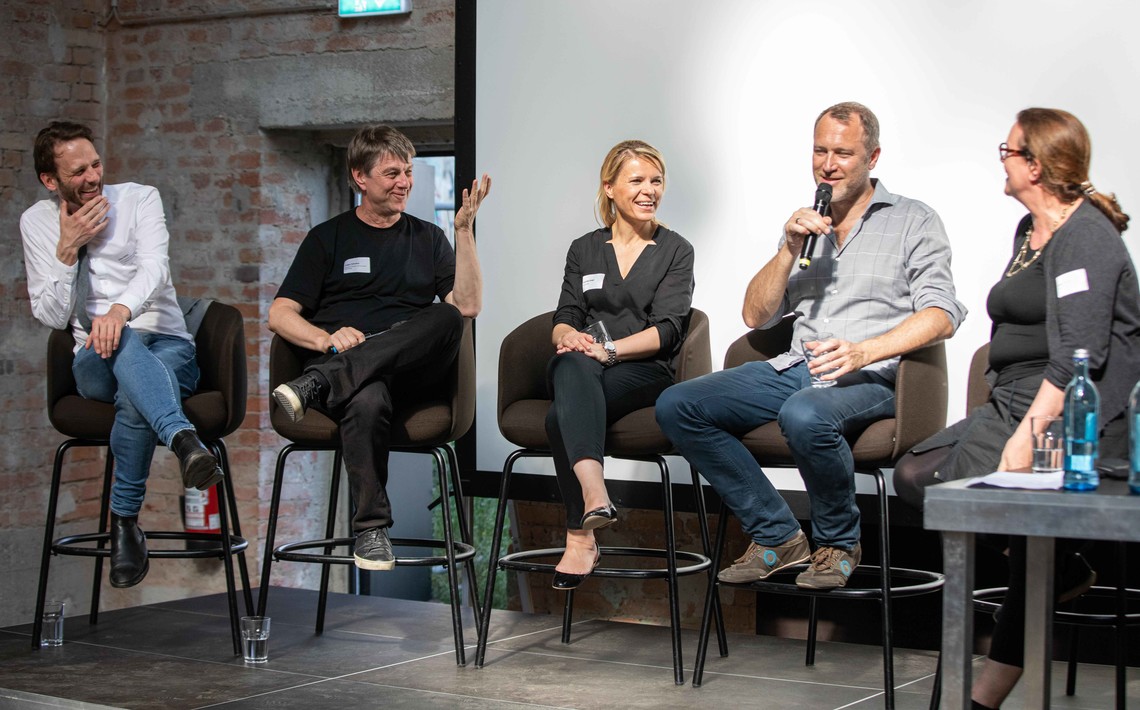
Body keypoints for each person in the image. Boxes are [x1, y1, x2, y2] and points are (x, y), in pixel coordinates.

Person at [657, 102, 967, 590]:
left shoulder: (913, 220)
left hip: (877, 376)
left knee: (807, 413)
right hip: (799, 366)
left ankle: (839, 543)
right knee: (680, 404)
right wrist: (787, 248)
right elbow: (756, 316)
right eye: (820, 151)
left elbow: (942, 313)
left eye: (843, 153)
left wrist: (865, 351)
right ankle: (778, 535)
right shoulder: (806, 227)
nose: (828, 164)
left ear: (873, 156)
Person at [892, 108, 1139, 709]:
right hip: (1011, 397)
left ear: (1036, 164)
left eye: (1008, 150)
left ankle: (983, 696)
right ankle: (1055, 571)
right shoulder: (1030, 231)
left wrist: (1029, 433)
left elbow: (1081, 352)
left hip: (1071, 413)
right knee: (915, 475)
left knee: (996, 521)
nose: (999, 158)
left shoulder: (1086, 236)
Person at [269, 125, 489, 572]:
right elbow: (280, 314)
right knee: (366, 397)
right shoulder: (327, 239)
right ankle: (371, 531)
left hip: (412, 376)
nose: (404, 182)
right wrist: (325, 339)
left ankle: (319, 382)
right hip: (357, 381)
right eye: (392, 173)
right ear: (360, 178)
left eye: (408, 171)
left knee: (447, 316)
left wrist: (463, 231)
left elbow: (468, 304)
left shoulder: (429, 238)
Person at [21, 121, 224, 589]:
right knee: (114, 342)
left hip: (168, 343)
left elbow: (155, 268)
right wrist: (66, 250)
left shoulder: (138, 198)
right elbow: (51, 315)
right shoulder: (36, 222)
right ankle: (183, 440)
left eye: (96, 164)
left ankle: (125, 524)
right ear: (51, 182)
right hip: (92, 360)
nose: (93, 177)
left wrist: (117, 311)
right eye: (78, 172)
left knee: (133, 385)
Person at [545, 140, 695, 590]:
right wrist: (568, 337)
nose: (649, 191)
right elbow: (564, 316)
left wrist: (609, 351)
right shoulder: (584, 249)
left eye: (656, 181)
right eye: (637, 181)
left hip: (643, 369)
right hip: (585, 366)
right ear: (609, 188)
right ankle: (595, 496)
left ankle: (580, 533)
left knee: (561, 414)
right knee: (571, 364)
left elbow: (668, 331)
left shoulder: (675, 249)